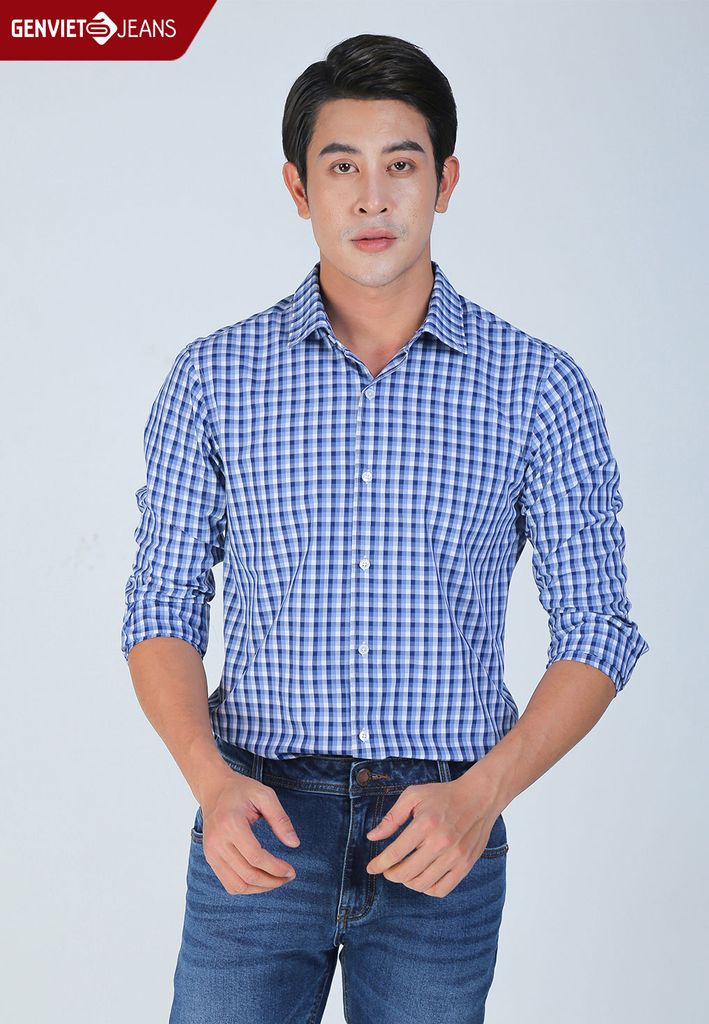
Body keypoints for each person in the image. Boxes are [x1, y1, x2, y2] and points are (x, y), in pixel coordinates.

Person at [120, 32, 649, 1024]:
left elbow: (597, 629)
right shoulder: (213, 379)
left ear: (444, 181)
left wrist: (481, 797)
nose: (372, 198)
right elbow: (162, 604)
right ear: (297, 186)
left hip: (443, 827)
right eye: (342, 167)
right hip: (256, 820)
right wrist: (210, 783)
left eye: (400, 165)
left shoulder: (538, 387)